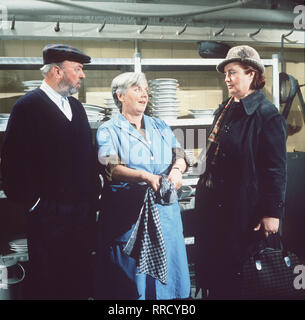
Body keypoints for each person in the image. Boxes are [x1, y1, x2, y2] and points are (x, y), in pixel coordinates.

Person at [1, 44, 101, 299]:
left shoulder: (76, 109)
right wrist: (36, 205)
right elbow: (12, 168)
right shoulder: (28, 107)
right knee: (49, 286)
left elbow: (86, 159)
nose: (82, 75)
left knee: (78, 283)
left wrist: (91, 199)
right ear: (57, 71)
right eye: (77, 69)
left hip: (80, 219)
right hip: (48, 219)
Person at [194, 45, 287, 299]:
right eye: (225, 73)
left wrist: (272, 213)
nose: (227, 78)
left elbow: (275, 169)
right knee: (214, 273)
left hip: (243, 211)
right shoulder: (224, 110)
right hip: (214, 208)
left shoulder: (267, 116)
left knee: (239, 277)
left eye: (232, 72)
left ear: (252, 74)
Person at [94, 72, 190, 300]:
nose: (144, 94)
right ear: (120, 96)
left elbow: (181, 154)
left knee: (168, 286)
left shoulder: (160, 125)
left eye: (145, 89)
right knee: (131, 285)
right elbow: (111, 168)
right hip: (129, 217)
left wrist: (177, 170)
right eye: (136, 89)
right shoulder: (108, 129)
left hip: (165, 215)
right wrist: (146, 176)